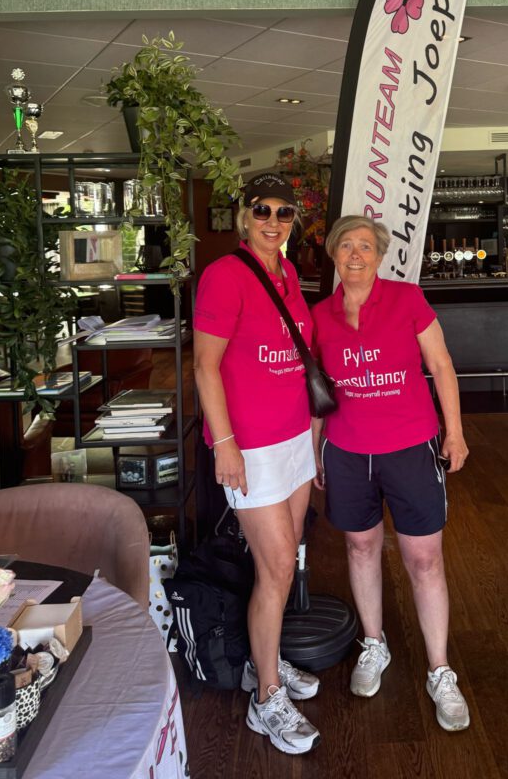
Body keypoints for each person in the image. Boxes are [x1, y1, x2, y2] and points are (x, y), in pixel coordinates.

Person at [311, 214, 471, 732]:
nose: (355, 254)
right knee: (360, 547)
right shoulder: (320, 314)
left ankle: (440, 669)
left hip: (410, 447)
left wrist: (454, 432)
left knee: (424, 559)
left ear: (380, 257)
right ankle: (374, 644)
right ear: (334, 255)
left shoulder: (407, 299)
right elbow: (317, 389)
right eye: (346, 246)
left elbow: (441, 365)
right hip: (347, 450)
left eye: (365, 246)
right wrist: (315, 450)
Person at [193, 172, 321, 756]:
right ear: (245, 217)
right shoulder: (225, 275)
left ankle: (263, 659)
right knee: (276, 568)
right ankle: (266, 697)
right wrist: (224, 444)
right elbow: (205, 366)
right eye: (262, 210)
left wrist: (312, 438)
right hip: (251, 447)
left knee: (284, 562)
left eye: (284, 212)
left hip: (292, 438)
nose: (273, 221)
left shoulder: (288, 274)